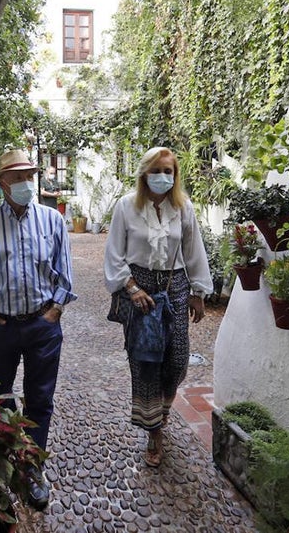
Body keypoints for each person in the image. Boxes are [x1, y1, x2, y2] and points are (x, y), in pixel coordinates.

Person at [0, 148, 76, 510]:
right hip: (2, 326)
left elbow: (64, 268)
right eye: (17, 177)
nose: (26, 183)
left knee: (40, 399)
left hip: (43, 324)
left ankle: (31, 468)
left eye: (29, 176)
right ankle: (0, 463)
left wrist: (56, 308)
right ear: (1, 184)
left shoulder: (53, 220)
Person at [103, 146, 212, 468]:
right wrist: (131, 287)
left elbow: (194, 250)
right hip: (139, 289)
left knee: (177, 360)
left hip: (174, 286)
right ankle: (154, 431)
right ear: (144, 173)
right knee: (146, 361)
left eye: (169, 171)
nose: (163, 177)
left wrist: (199, 292)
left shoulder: (183, 207)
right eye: (157, 170)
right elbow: (113, 253)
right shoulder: (126, 206)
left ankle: (161, 411)